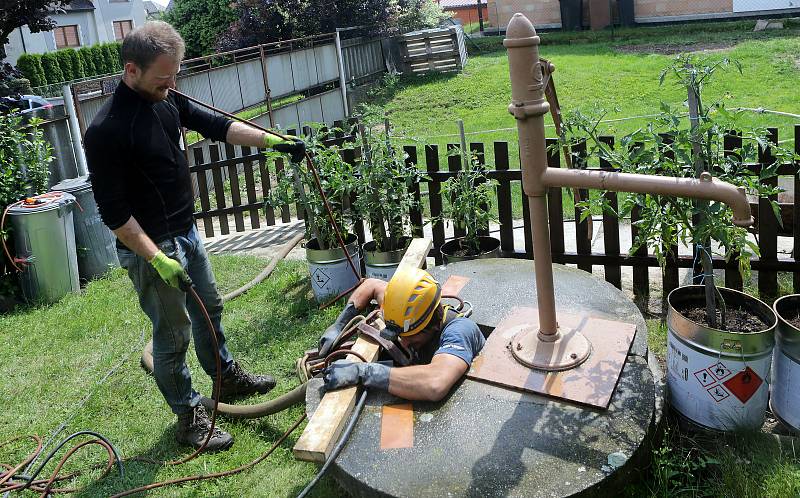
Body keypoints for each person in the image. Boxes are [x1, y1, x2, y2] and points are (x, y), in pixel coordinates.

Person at [84, 21, 305, 452]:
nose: (173, 84)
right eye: (164, 77)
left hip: (186, 232)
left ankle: (226, 378)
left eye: (176, 75)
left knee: (210, 310)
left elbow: (217, 126)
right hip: (152, 247)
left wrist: (273, 141)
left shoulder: (167, 99)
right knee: (173, 335)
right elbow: (114, 214)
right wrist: (156, 259)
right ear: (132, 70)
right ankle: (189, 414)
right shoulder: (106, 130)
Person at [320, 269, 485, 402]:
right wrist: (339, 324)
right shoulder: (402, 312)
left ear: (432, 326)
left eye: (410, 337)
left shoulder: (460, 330)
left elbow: (435, 383)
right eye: (400, 335)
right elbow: (372, 285)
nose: (403, 343)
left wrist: (364, 372)